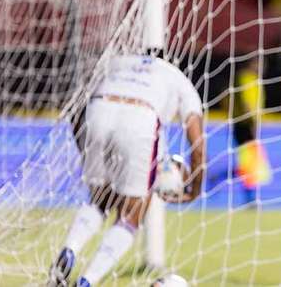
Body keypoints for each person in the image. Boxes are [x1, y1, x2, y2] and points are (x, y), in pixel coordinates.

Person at [48, 52, 205, 287]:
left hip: (97, 111)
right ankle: (86, 281)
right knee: (131, 215)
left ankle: (70, 248)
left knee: (99, 200)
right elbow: (198, 145)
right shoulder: (179, 79)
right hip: (140, 119)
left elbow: (77, 106)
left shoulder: (117, 63)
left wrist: (86, 150)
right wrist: (195, 189)